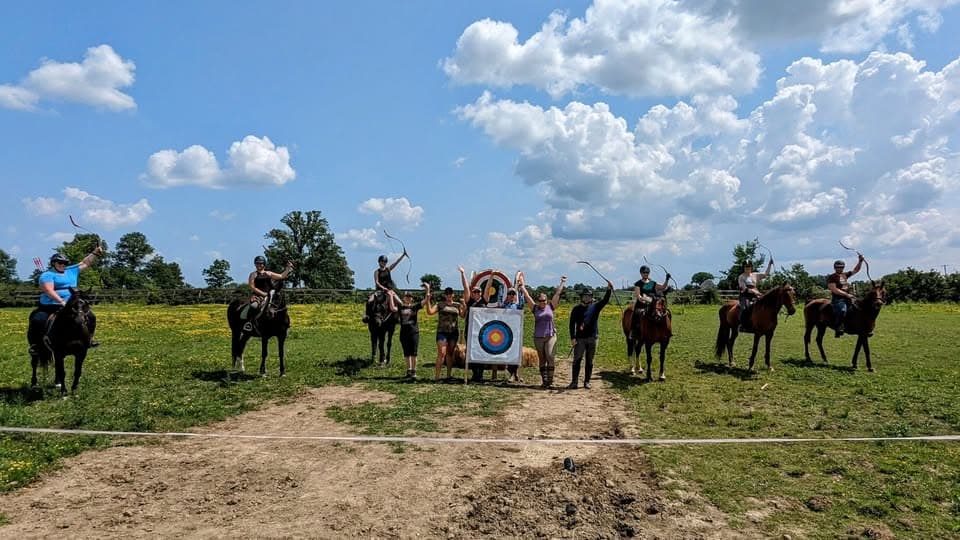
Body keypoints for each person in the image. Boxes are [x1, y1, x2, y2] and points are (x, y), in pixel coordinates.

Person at [30, 247, 104, 352]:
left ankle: (89, 339)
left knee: (91, 316)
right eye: (59, 263)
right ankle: (36, 345)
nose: (62, 265)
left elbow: (85, 263)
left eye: (64, 263)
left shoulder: (71, 271)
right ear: (54, 263)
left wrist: (95, 253)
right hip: (52, 305)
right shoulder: (47, 275)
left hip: (73, 303)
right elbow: (49, 291)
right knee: (38, 319)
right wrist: (61, 301)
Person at [520, 274, 566, 388]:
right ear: (538, 301)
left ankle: (550, 379)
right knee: (542, 359)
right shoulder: (535, 308)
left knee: (550, 356)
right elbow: (527, 297)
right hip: (538, 337)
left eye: (544, 300)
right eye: (540, 300)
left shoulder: (551, 306)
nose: (542, 302)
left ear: (547, 300)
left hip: (550, 335)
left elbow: (557, 294)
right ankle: (544, 380)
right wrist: (522, 286)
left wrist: (562, 282)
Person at [568, 279, 613, 390]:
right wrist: (573, 337)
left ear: (591, 297)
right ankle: (574, 382)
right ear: (581, 297)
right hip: (580, 339)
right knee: (577, 360)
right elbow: (571, 324)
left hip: (592, 337)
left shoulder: (595, 307)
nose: (587, 298)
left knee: (590, 360)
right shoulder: (576, 309)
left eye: (589, 296)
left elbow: (605, 300)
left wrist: (609, 289)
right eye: (585, 296)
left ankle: (587, 381)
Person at [459, 265, 495, 382]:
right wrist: (463, 273)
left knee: (482, 351)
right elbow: (465, 287)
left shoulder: (484, 301)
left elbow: (488, 287)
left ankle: (481, 373)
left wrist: (491, 276)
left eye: (478, 291)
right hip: (470, 330)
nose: (477, 292)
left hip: (483, 331)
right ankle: (475, 373)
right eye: (474, 291)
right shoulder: (469, 302)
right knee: (471, 352)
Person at [387, 284, 431, 380]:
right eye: (406, 296)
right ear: (403, 298)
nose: (407, 298)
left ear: (412, 299)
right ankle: (409, 370)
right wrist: (391, 296)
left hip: (414, 332)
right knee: (406, 353)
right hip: (404, 333)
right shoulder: (401, 307)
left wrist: (427, 289)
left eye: (409, 296)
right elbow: (392, 308)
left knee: (414, 352)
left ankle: (414, 370)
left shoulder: (415, 307)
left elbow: (426, 300)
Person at [242, 256, 293, 332]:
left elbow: (281, 276)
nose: (259, 265)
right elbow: (252, 287)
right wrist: (263, 294)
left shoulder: (268, 273)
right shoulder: (253, 274)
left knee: (280, 305)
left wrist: (288, 268)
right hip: (258, 296)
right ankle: (249, 323)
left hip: (270, 295)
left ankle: (285, 323)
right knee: (253, 306)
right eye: (257, 263)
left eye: (261, 263)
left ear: (264, 264)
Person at [487, 279, 524, 383]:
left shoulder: (517, 306)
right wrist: (501, 288)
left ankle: (515, 374)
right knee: (507, 354)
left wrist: (520, 290)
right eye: (510, 294)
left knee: (516, 354)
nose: (512, 295)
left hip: (516, 333)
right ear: (507, 295)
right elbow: (499, 300)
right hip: (506, 333)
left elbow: (522, 301)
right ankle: (512, 374)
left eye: (513, 294)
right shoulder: (504, 305)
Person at [425, 286, 464, 380]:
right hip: (442, 332)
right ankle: (437, 377)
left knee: (450, 354)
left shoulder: (457, 305)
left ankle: (448, 375)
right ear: (444, 295)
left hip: (453, 332)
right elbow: (430, 312)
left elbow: (462, 315)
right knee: (442, 353)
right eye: (447, 294)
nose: (449, 295)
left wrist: (464, 304)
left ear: (453, 295)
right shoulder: (440, 304)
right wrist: (428, 300)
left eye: (450, 293)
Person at [364, 252, 408, 323]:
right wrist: (383, 288)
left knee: (400, 303)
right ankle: (367, 316)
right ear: (379, 262)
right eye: (382, 261)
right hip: (379, 291)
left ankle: (399, 317)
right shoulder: (377, 272)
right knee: (369, 301)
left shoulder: (388, 269)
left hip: (389, 291)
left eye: (385, 262)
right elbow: (377, 282)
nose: (383, 263)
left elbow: (396, 263)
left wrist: (403, 255)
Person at [827, 254, 865, 337]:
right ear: (835, 268)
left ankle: (863, 327)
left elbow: (856, 270)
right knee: (843, 310)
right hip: (838, 299)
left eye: (841, 267)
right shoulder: (832, 277)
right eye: (838, 267)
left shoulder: (845, 275)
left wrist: (860, 261)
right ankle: (838, 327)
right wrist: (847, 295)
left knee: (860, 307)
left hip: (848, 297)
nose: (840, 269)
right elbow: (834, 290)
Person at [631, 265, 670, 337]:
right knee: (636, 314)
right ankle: (633, 331)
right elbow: (638, 296)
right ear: (641, 273)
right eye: (644, 272)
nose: (646, 274)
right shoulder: (638, 284)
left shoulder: (653, 283)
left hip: (653, 303)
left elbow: (663, 287)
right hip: (641, 303)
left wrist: (667, 279)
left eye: (647, 272)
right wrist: (644, 300)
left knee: (665, 312)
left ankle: (666, 331)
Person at [737, 259, 773, 332]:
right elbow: (744, 288)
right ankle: (742, 325)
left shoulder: (755, 275)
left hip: (756, 295)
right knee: (744, 308)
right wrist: (755, 292)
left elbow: (766, 274)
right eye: (746, 267)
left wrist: (769, 264)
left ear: (751, 267)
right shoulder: (741, 277)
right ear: (743, 267)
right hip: (745, 296)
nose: (747, 268)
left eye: (749, 266)